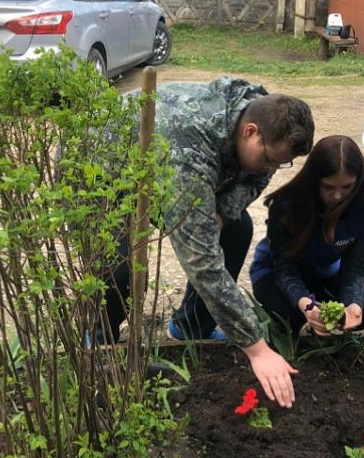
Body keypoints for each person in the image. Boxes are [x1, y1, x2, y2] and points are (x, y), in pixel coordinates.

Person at [101, 76, 315, 409]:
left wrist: (224, 210)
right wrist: (256, 347)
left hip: (162, 168)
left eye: (281, 162)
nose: (274, 168)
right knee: (118, 267)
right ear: (250, 132)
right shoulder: (189, 146)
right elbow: (202, 263)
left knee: (237, 228)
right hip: (104, 172)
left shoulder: (266, 124)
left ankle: (190, 327)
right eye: (272, 159)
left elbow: (257, 177)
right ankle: (102, 346)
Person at [249, 135, 364, 339]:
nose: (337, 196)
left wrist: (352, 302)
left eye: (347, 187)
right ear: (313, 180)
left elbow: (354, 268)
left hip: (324, 273)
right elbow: (285, 269)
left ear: (358, 182)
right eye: (328, 187)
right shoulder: (285, 206)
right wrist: (306, 304)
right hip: (274, 272)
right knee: (292, 317)